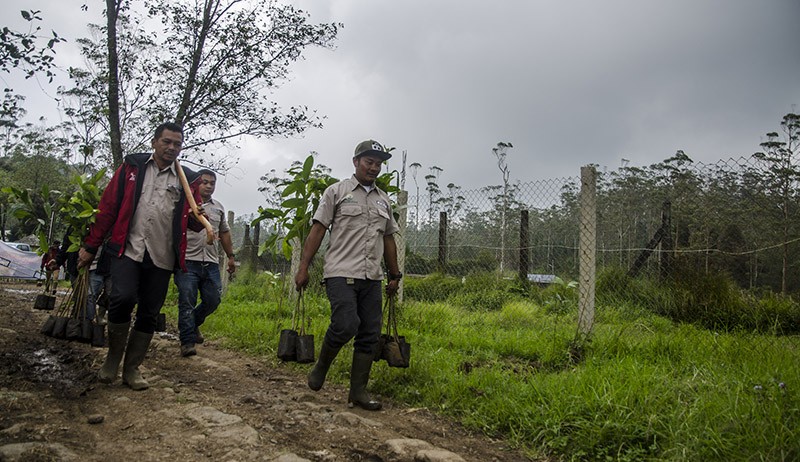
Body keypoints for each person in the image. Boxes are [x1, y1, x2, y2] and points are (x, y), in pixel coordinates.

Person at [77, 122, 205, 391]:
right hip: (128, 249)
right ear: (154, 142)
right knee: (122, 298)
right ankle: (112, 360)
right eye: (166, 142)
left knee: (149, 312)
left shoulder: (187, 180)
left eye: (177, 144)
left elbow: (192, 223)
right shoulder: (132, 168)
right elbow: (108, 207)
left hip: (162, 256)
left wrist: (197, 218)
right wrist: (91, 245)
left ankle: (132, 369)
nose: (171, 148)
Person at [294, 139, 402, 411]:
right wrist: (304, 267)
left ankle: (358, 392)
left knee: (369, 333)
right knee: (346, 324)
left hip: (372, 276)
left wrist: (395, 274)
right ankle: (321, 366)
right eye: (369, 162)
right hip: (340, 272)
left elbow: (389, 239)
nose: (374, 168)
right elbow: (318, 229)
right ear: (356, 162)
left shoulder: (384, 200)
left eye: (378, 163)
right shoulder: (337, 192)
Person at [174, 169, 236, 357]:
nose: (209, 186)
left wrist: (231, 256)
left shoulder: (218, 208)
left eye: (212, 183)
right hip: (187, 261)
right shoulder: (184, 205)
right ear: (196, 184)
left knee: (213, 299)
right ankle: (187, 342)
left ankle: (192, 324)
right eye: (205, 182)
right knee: (187, 300)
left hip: (210, 262)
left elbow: (224, 232)